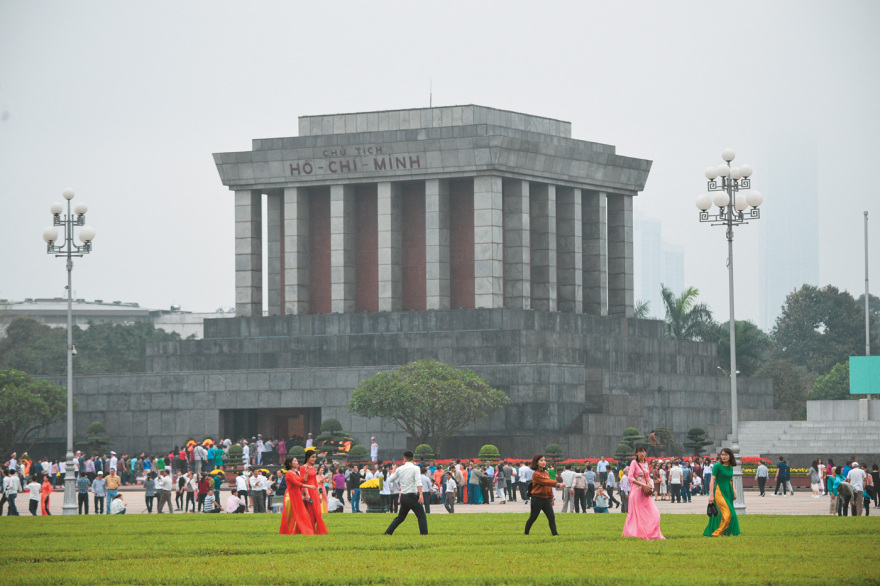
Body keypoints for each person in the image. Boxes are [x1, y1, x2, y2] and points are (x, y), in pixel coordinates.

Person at [623, 446, 664, 540]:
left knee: (654, 513)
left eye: (644, 451)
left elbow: (647, 476)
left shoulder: (645, 463)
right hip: (636, 491)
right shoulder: (634, 463)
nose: (642, 453)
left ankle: (650, 532)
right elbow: (630, 477)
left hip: (645, 491)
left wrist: (649, 483)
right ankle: (635, 533)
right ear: (636, 453)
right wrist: (642, 484)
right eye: (640, 452)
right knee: (637, 514)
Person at [384, 451, 428, 535]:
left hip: (404, 497)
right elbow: (418, 482)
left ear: (404, 458)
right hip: (412, 496)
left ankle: (388, 532)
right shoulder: (416, 468)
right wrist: (421, 494)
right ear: (413, 458)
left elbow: (391, 479)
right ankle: (424, 534)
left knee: (400, 518)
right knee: (421, 516)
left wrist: (393, 470)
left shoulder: (400, 469)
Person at [704, 448, 740, 537]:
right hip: (719, 492)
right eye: (722, 454)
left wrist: (734, 490)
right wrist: (711, 494)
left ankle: (723, 531)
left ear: (730, 456)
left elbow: (731, 480)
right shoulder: (717, 466)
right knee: (728, 513)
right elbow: (712, 479)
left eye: (726, 454)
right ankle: (717, 532)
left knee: (728, 513)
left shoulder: (730, 467)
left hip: (729, 492)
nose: (724, 456)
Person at [524, 454, 563, 535]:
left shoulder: (546, 473)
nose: (543, 462)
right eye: (541, 460)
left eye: (544, 460)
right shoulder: (536, 474)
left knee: (551, 517)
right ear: (536, 462)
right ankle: (526, 533)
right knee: (533, 517)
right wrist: (557, 484)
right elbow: (545, 482)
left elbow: (548, 486)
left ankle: (555, 534)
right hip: (537, 499)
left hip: (546, 499)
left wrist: (551, 498)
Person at [280, 457, 315, 534]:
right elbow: (297, 484)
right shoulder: (289, 473)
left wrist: (306, 473)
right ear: (290, 463)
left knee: (302, 514)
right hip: (290, 496)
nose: (297, 462)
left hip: (297, 495)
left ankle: (305, 531)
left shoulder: (296, 472)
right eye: (295, 461)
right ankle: (286, 531)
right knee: (289, 516)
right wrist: (309, 486)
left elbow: (303, 480)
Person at [301, 449, 328, 534]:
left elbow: (315, 482)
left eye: (315, 457)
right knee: (310, 512)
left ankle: (318, 530)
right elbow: (303, 481)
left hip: (314, 491)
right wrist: (307, 494)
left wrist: (318, 494)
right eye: (312, 457)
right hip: (308, 490)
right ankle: (310, 529)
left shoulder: (313, 468)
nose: (314, 459)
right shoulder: (303, 468)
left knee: (317, 511)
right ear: (307, 457)